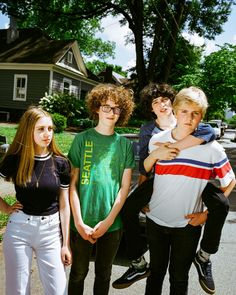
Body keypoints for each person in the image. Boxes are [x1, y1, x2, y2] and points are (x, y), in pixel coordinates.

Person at [112, 83, 220, 294]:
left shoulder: (187, 120)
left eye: (164, 100)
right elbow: (145, 165)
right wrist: (143, 197)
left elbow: (209, 131)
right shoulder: (148, 131)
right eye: (155, 102)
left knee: (221, 204)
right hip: (158, 179)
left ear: (173, 103)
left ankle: (205, 257)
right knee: (128, 207)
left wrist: (175, 146)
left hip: (192, 175)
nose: (161, 105)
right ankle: (137, 263)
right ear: (150, 108)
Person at [143, 86, 235, 295]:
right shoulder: (157, 141)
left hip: (187, 225)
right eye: (184, 111)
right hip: (155, 219)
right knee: (155, 275)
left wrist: (206, 214)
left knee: (179, 278)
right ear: (175, 111)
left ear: (201, 116)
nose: (189, 117)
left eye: (195, 113)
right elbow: (149, 173)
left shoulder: (212, 149)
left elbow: (230, 182)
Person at [67, 83, 135, 295]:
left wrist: (107, 222)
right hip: (81, 222)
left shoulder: (124, 146)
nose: (111, 112)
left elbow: (124, 189)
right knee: (78, 273)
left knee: (104, 274)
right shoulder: (82, 139)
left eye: (116, 109)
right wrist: (78, 222)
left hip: (111, 224)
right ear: (96, 107)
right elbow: (72, 185)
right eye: (106, 107)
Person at [0, 106, 72, 295]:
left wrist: (66, 244)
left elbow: (65, 205)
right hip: (19, 230)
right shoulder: (14, 160)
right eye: (40, 129)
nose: (47, 134)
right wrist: (6, 208)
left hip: (51, 232)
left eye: (50, 129)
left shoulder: (61, 163)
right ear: (28, 130)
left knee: (59, 290)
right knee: (18, 291)